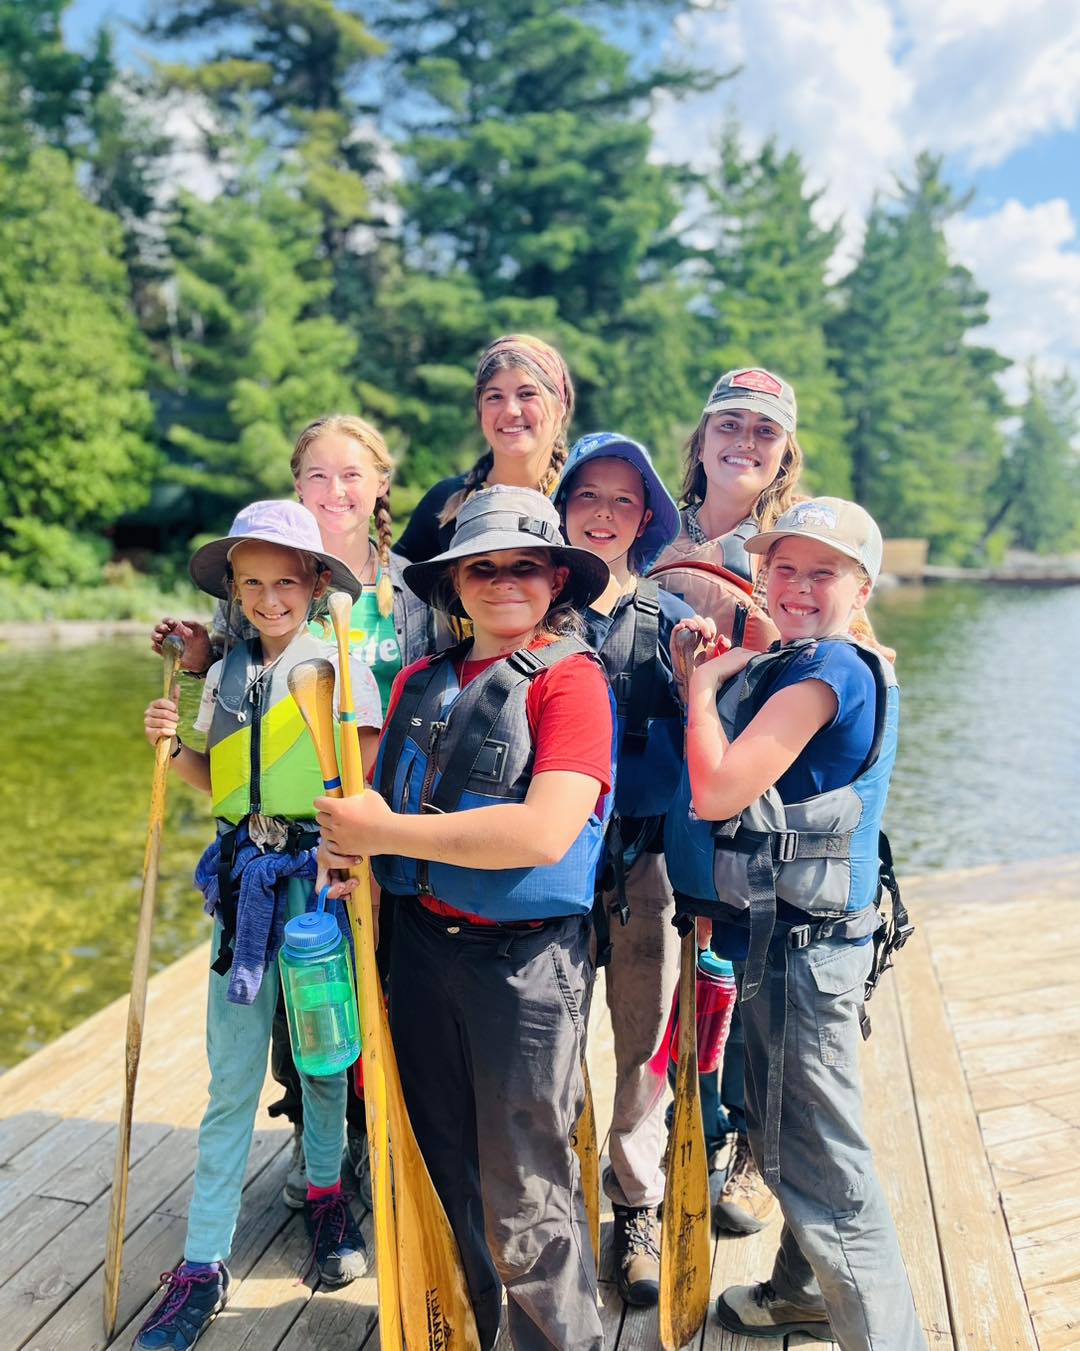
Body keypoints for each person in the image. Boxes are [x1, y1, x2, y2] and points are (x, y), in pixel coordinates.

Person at [316, 486, 613, 1351]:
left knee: (524, 1186)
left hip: (522, 968)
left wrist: (386, 830)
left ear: (556, 576)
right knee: (446, 1160)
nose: (504, 581)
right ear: (455, 582)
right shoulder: (419, 678)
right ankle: (481, 1329)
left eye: (525, 564)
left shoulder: (572, 681)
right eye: (483, 567)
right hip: (417, 950)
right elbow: (373, 809)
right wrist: (351, 851)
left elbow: (544, 828)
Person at [152, 414, 433, 1211]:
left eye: (352, 475)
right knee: (296, 1042)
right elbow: (234, 745)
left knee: (359, 1024)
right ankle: (321, 1178)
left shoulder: (413, 592)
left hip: (360, 846)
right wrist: (182, 722)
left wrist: (373, 839)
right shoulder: (242, 638)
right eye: (317, 475)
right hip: (261, 864)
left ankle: (370, 1170)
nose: (334, 489)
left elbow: (389, 738)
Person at [665, 498, 924, 1349]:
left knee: (824, 1170)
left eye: (824, 571)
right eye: (784, 568)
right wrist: (718, 668)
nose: (799, 586)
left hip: (806, 960)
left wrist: (702, 689)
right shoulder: (818, 658)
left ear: (862, 585)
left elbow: (718, 790)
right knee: (796, 1138)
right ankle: (798, 1291)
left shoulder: (831, 672)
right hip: (809, 946)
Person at [135, 501, 382, 1351]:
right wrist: (175, 750)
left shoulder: (343, 665)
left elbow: (365, 783)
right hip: (244, 889)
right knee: (231, 1078)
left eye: (286, 581)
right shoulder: (226, 672)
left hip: (316, 895)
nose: (269, 598)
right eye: (252, 584)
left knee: (321, 1060)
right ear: (234, 593)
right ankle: (202, 1262)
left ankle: (323, 1197)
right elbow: (222, 779)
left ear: (317, 585)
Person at [651, 367, 802, 1236]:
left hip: (750, 794)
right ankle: (684, 1126)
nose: (745, 442)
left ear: (784, 453)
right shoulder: (648, 535)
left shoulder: (791, 547)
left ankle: (744, 1146)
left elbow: (846, 652)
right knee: (667, 970)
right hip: (653, 787)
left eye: (765, 432)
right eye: (730, 425)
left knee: (747, 973)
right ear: (702, 438)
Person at [553, 432, 690, 1307]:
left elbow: (715, 754)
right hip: (555, 862)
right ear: (564, 510)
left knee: (642, 1043)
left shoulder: (676, 619)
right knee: (549, 1039)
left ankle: (635, 1202)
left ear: (644, 520)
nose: (603, 516)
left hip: (644, 863)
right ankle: (557, 1198)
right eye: (586, 498)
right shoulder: (536, 604)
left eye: (622, 502)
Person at [393, 333, 575, 563]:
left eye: (527, 394)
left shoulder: (585, 503)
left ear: (560, 407)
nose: (511, 410)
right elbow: (393, 588)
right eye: (494, 396)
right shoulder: (445, 502)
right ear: (480, 412)